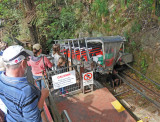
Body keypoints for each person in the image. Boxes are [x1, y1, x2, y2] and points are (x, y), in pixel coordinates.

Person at [0, 45, 49, 122]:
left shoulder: (1, 79)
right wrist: (43, 96)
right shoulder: (25, 91)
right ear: (23, 63)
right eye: (27, 59)